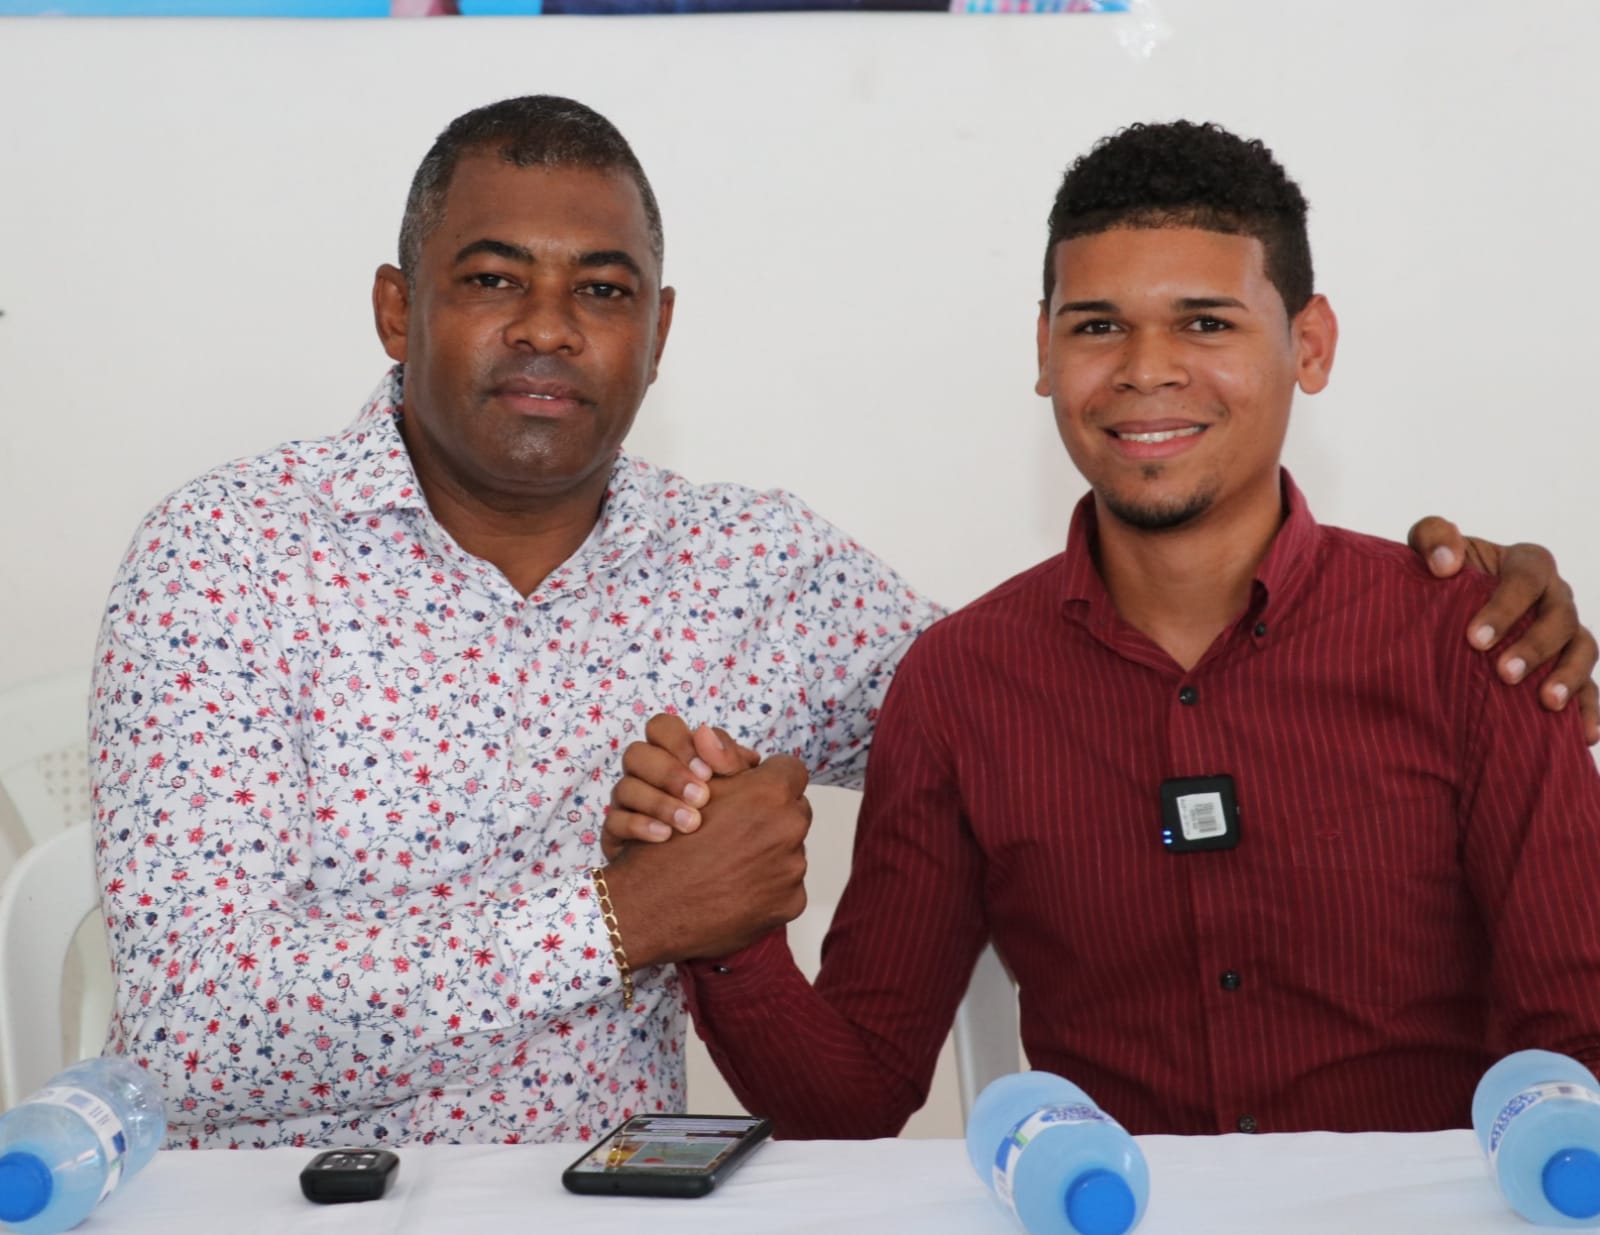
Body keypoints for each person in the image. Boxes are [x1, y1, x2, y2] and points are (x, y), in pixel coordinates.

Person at [88, 96, 1590, 1150]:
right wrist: (650, 918)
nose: (548, 326)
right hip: (260, 1202)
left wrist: (1490, 610)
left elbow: (1063, 692)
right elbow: (191, 1032)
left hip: (617, 1198)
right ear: (395, 308)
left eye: (601, 288)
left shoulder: (766, 571)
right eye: (492, 279)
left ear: (658, 329)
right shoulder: (225, 559)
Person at [612, 121, 1600, 1138]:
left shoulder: (1476, 642)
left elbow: (1581, 1041)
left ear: (1309, 345)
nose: (1145, 369)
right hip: (1102, 1204)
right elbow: (855, 1098)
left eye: (1205, 323)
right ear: (1044, 350)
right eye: (1097, 327)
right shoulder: (960, 685)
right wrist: (723, 923)